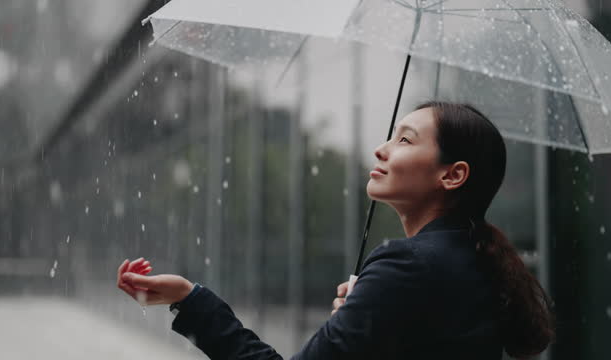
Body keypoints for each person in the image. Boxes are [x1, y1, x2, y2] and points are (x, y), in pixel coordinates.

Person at [117, 101, 556, 359]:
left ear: (453, 175)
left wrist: (191, 299)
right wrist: (370, 312)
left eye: (404, 140)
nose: (381, 149)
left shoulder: (408, 265)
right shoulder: (472, 260)